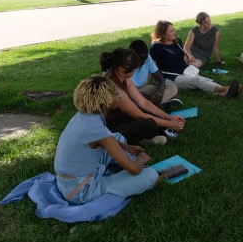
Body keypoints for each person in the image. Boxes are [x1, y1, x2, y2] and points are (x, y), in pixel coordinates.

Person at [54, 76, 162, 205]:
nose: (119, 96)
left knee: (117, 138)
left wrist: (125, 147)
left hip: (67, 183)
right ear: (103, 104)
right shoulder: (98, 130)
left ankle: (120, 168)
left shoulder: (82, 116)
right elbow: (134, 170)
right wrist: (142, 159)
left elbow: (104, 141)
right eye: (115, 94)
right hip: (80, 191)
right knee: (150, 174)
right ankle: (113, 180)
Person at [101, 48, 185, 145]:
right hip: (111, 129)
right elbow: (139, 115)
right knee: (150, 124)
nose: (135, 71)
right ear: (121, 69)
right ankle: (138, 140)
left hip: (123, 118)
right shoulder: (113, 88)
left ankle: (155, 131)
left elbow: (144, 103)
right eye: (134, 69)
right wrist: (170, 123)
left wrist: (169, 118)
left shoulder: (123, 77)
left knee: (154, 107)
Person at [150, 20, 242, 98]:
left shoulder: (177, 42)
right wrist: (157, 82)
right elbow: (150, 66)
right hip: (171, 78)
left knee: (202, 79)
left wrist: (188, 57)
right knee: (196, 81)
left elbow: (180, 57)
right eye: (171, 31)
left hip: (185, 71)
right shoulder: (157, 46)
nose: (174, 32)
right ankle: (227, 88)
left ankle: (224, 93)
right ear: (162, 33)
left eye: (173, 29)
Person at [128, 40, 182, 111]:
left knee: (172, 88)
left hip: (142, 90)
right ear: (132, 54)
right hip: (128, 92)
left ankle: (149, 105)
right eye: (140, 60)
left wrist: (159, 93)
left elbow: (160, 79)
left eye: (144, 60)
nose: (143, 62)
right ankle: (153, 106)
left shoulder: (147, 59)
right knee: (127, 100)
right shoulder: (124, 61)